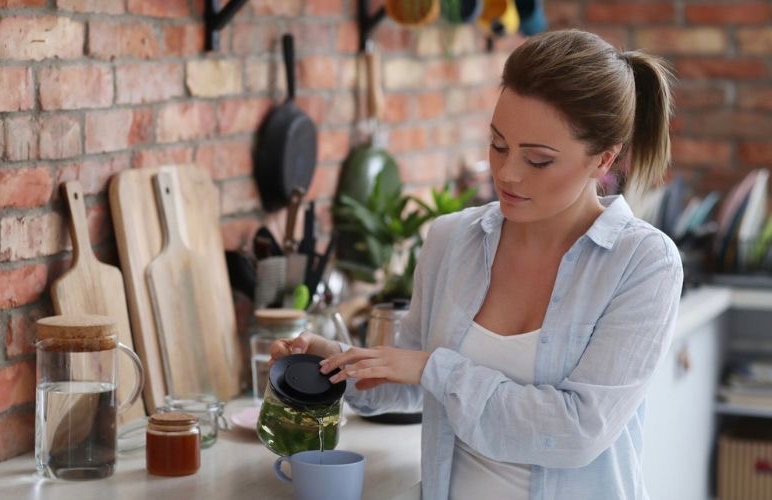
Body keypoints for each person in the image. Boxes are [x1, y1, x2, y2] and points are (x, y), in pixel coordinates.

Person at [271, 29, 683, 500]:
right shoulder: (452, 240)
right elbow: (408, 385)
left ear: (603, 159)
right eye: (498, 144)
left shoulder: (643, 264)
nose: (507, 173)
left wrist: (433, 369)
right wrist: (334, 361)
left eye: (539, 160)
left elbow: (575, 433)